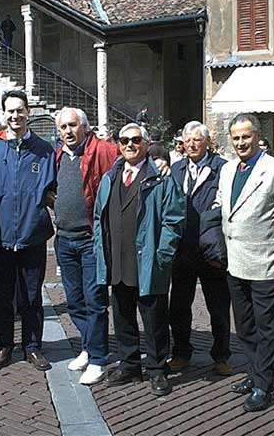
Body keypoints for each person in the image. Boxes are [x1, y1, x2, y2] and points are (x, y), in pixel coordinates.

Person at [217, 114, 274, 412]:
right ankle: (254, 374)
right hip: (234, 262)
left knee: (266, 328)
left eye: (246, 136)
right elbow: (222, 204)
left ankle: (263, 386)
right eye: (236, 137)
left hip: (266, 263)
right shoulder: (227, 170)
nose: (241, 142)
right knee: (244, 327)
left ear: (257, 136)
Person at [93, 123, 184, 396]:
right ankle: (130, 364)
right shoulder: (111, 176)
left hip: (148, 260)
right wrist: (102, 250)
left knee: (154, 319)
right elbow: (99, 217)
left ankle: (157, 370)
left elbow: (174, 220)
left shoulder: (161, 178)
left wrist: (163, 254)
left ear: (146, 144)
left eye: (135, 140)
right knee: (122, 317)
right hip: (117, 260)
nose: (129, 145)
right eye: (124, 140)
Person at [0, 89, 56, 372]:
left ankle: (33, 347)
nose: (15, 115)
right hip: (0, 238)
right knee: (2, 297)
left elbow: (54, 190)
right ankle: (4, 346)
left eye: (20, 110)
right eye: (10, 111)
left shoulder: (44, 150)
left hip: (32, 235)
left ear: (29, 113)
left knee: (32, 296)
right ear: (4, 114)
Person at [53, 107, 119, 385]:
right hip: (64, 239)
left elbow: (131, 158)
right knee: (75, 301)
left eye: (72, 125)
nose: (68, 131)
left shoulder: (102, 150)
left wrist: (159, 161)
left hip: (90, 239)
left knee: (95, 301)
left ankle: (99, 358)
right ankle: (88, 346)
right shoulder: (58, 155)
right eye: (63, 127)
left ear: (84, 127)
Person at [168, 121, 232, 376]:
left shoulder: (222, 169)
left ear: (207, 141)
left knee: (218, 306)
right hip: (182, 250)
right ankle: (181, 353)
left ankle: (221, 356)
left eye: (197, 140)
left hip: (211, 251)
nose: (191, 145)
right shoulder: (175, 169)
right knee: (179, 307)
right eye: (187, 140)